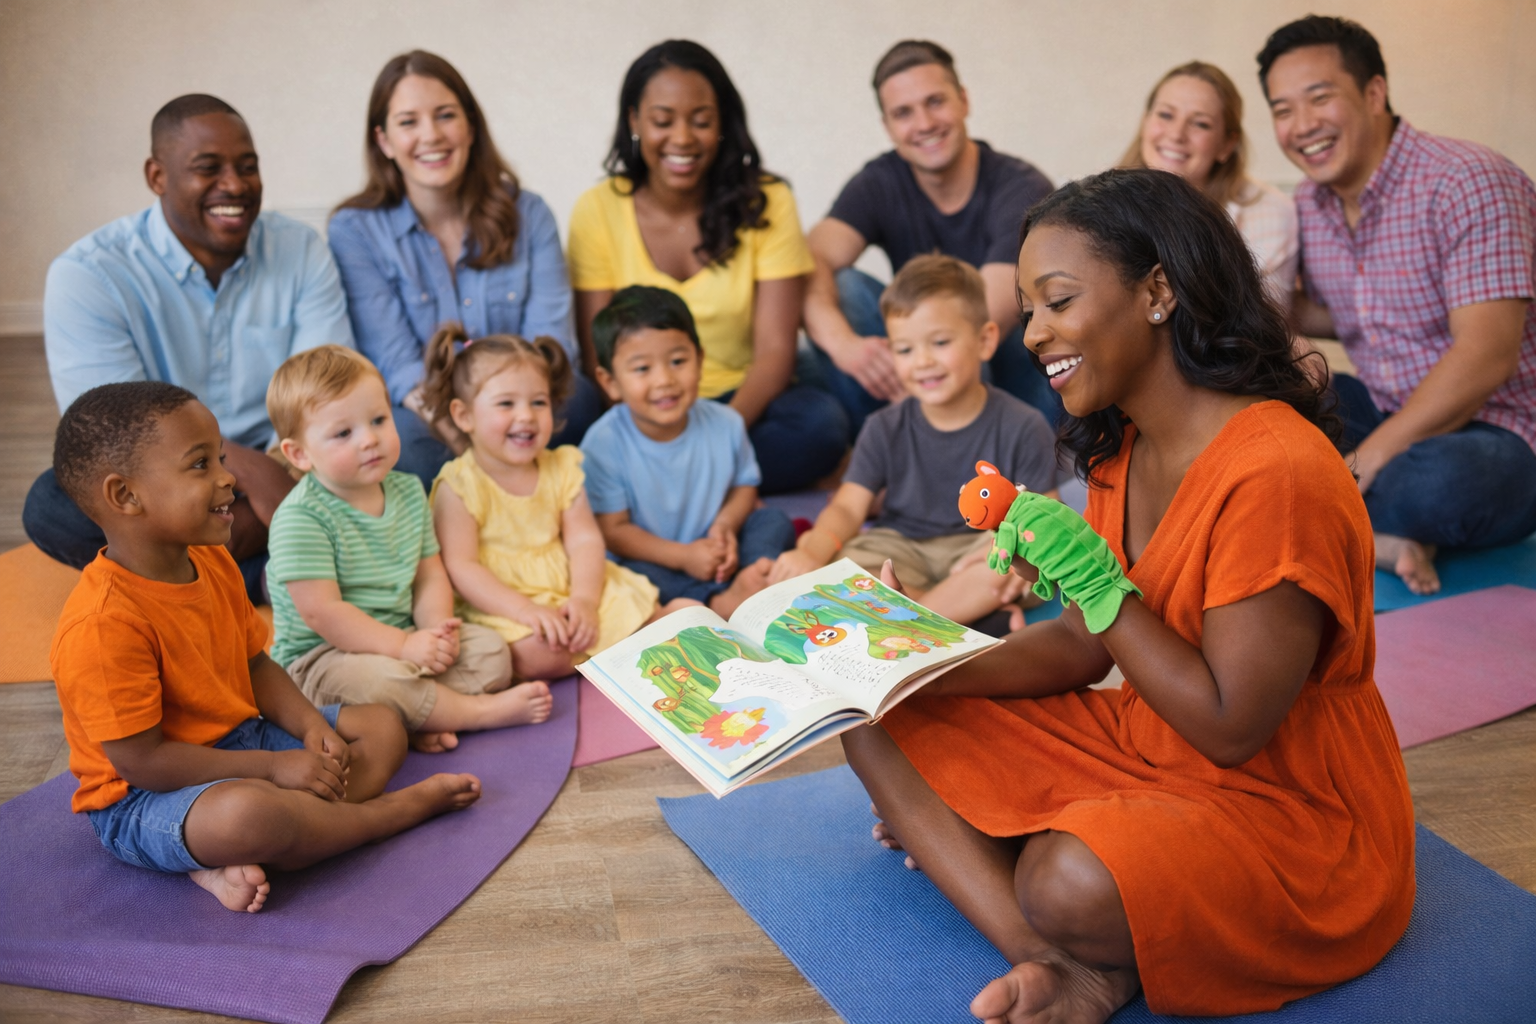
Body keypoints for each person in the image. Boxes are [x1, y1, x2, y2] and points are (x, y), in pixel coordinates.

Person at [841, 170, 1413, 1022]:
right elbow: (1081, 645)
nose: (1033, 333)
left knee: (1065, 878)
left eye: (1057, 301)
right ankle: (1059, 964)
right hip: (1150, 741)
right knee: (875, 723)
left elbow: (1231, 726)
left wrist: (1103, 590)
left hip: (1292, 806)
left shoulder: (1279, 472)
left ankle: (1058, 889)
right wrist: (919, 660)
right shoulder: (1120, 445)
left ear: (1157, 291)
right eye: (1030, 308)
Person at [48, 381, 481, 913]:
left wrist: (309, 727)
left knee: (382, 726)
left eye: (222, 458)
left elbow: (256, 663)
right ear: (126, 496)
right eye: (200, 465)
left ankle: (285, 837)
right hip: (144, 798)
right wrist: (273, 770)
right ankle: (381, 818)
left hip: (242, 738)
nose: (229, 477)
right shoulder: (102, 624)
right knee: (246, 816)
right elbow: (145, 763)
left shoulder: (210, 558)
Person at [26, 94, 353, 602]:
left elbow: (330, 391)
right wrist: (248, 471)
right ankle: (271, 571)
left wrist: (279, 471)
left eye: (248, 167)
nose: (236, 185)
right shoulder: (88, 274)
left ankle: (197, 573)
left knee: (402, 455)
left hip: (294, 464)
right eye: (209, 168)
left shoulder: (300, 250)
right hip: (173, 479)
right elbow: (109, 434)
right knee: (52, 504)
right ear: (157, 176)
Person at [1260, 15, 1536, 595]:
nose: (1301, 126)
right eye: (1283, 110)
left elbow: (1489, 354)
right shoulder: (1310, 202)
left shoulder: (1468, 180)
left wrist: (1361, 464)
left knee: (1434, 484)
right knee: (1270, 413)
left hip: (1503, 433)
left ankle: (1330, 508)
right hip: (1388, 407)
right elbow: (1326, 312)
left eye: (1319, 98)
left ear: (1374, 92)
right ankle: (1379, 536)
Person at [567, 39, 848, 494]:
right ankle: (722, 486)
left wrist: (717, 441)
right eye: (663, 121)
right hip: (646, 410)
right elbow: (597, 354)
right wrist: (657, 431)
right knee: (576, 425)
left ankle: (683, 486)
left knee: (822, 425)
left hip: (742, 404)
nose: (682, 139)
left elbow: (776, 352)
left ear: (723, 124)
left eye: (701, 121)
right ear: (635, 120)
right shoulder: (596, 209)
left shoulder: (768, 199)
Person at [328, 51, 603, 489]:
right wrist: (466, 435)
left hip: (522, 399)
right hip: (429, 411)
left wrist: (506, 417)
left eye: (445, 116)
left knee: (583, 401)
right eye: (408, 122)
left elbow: (552, 343)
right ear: (383, 141)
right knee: (405, 447)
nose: (431, 135)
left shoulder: (529, 214)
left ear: (471, 127)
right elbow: (396, 363)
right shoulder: (354, 230)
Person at [264, 346, 553, 756]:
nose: (370, 439)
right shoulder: (301, 518)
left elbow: (430, 574)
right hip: (325, 658)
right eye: (344, 433)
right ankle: (476, 713)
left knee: (491, 654)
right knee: (378, 682)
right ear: (300, 454)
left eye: (379, 420)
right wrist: (403, 648)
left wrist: (436, 631)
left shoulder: (408, 490)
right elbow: (324, 614)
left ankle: (414, 720)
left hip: (405, 638)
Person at [771, 255, 1057, 630]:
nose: (922, 361)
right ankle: (969, 620)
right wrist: (811, 550)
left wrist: (1007, 544)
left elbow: (1046, 512)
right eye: (904, 350)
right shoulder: (882, 426)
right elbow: (847, 509)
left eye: (939, 342)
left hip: (979, 549)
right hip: (901, 547)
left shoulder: (1024, 424)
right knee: (841, 573)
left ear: (985, 340)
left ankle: (921, 622)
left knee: (1020, 562)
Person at [803, 40, 1056, 435]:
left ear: (963, 101)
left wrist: (920, 373)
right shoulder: (879, 182)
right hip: (923, 367)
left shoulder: (1020, 185)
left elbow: (977, 325)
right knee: (841, 288)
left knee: (965, 327)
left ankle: (945, 445)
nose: (923, 124)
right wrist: (845, 345)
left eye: (935, 102)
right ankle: (888, 446)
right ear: (887, 127)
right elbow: (809, 258)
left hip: (1010, 374)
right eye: (903, 113)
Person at [425, 325, 672, 680]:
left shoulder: (561, 467)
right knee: (531, 655)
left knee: (632, 609)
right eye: (506, 403)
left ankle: (645, 627)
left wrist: (585, 600)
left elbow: (584, 540)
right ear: (464, 416)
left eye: (538, 402)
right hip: (504, 600)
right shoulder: (459, 484)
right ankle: (618, 648)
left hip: (572, 586)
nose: (526, 415)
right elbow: (462, 568)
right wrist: (525, 611)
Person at [582, 286, 795, 616]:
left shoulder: (726, 423)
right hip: (656, 557)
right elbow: (614, 532)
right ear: (609, 382)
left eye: (678, 361)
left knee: (773, 520)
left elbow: (744, 486)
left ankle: (754, 573)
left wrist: (725, 527)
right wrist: (684, 556)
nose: (665, 379)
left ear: (700, 359)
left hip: (716, 547)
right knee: (623, 573)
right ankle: (715, 601)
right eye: (642, 369)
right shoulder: (603, 444)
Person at [1119, 61, 1299, 310]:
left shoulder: (1270, 213)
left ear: (1227, 144)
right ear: (1145, 121)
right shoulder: (1097, 205)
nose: (1176, 134)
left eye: (1200, 123)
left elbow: (1264, 326)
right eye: (1165, 115)